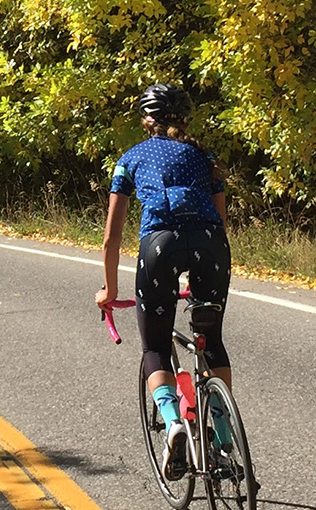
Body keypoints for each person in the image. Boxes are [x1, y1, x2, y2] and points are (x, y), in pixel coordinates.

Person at [94, 82, 231, 481]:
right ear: (183, 119)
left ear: (146, 120)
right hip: (211, 245)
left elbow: (111, 235)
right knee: (212, 339)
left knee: (155, 344)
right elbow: (221, 220)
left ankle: (173, 423)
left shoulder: (130, 158)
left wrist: (110, 290)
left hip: (158, 246)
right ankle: (222, 435)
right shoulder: (205, 156)